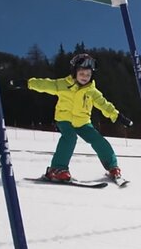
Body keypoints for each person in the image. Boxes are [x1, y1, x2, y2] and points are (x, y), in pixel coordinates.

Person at [27, 53, 133, 181]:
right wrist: (28, 83)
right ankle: (56, 169)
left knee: (98, 140)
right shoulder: (63, 85)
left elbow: (104, 105)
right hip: (64, 119)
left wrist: (117, 116)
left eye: (88, 75)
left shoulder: (92, 92)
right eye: (82, 74)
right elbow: (45, 84)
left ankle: (112, 167)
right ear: (75, 73)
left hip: (83, 122)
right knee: (70, 137)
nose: (85, 77)